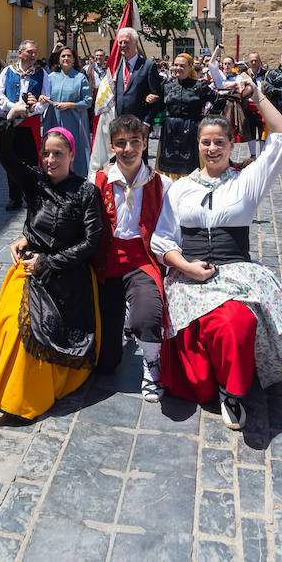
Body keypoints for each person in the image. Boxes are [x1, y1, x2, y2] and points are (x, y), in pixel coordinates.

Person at [151, 74, 282, 430]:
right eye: (206, 142)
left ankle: (233, 392)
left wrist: (256, 94)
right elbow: (163, 240)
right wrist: (188, 269)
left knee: (236, 321)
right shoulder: (180, 190)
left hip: (236, 273)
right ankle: (213, 377)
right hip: (189, 276)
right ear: (197, 145)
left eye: (219, 142)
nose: (212, 148)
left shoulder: (247, 182)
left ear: (231, 144)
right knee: (207, 339)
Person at [0, 118, 102, 422]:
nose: (50, 160)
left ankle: (24, 400)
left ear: (72, 156)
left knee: (37, 333)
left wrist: (49, 262)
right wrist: (12, 118)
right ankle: (6, 387)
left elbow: (90, 243)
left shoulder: (87, 192)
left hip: (69, 274)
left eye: (58, 153)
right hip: (30, 268)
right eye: (46, 153)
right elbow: (4, 154)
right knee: (13, 325)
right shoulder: (35, 183)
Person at [83, 114, 169, 400]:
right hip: (106, 262)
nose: (128, 149)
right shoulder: (97, 180)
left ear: (144, 143)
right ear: (111, 146)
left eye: (134, 142)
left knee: (147, 315)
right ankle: (119, 328)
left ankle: (151, 363)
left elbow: (174, 227)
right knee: (106, 363)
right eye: (121, 143)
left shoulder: (161, 183)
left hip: (142, 260)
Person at [0, 39, 49, 209]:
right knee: (11, 160)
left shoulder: (41, 73)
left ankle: (32, 197)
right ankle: (14, 197)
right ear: (20, 53)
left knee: (32, 162)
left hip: (31, 123)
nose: (33, 55)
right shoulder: (8, 71)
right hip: (12, 123)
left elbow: (46, 98)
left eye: (35, 52)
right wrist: (14, 107)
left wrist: (34, 109)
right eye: (30, 52)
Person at [151, 53, 218, 179]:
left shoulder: (200, 87)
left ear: (190, 67)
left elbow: (219, 100)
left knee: (192, 166)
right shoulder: (167, 87)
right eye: (176, 65)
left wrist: (207, 120)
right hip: (170, 131)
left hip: (192, 131)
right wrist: (150, 100)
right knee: (168, 166)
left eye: (182, 65)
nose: (178, 68)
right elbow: (158, 108)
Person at [112, 28, 165, 153]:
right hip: (118, 125)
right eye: (120, 42)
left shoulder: (147, 66)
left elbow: (156, 97)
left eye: (126, 42)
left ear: (135, 43)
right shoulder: (116, 67)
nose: (123, 45)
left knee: (138, 163)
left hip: (138, 126)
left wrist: (146, 123)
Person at [42, 45, 92, 177]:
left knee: (72, 149)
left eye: (69, 56)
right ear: (58, 60)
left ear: (74, 59)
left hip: (74, 122)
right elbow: (44, 94)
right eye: (63, 56)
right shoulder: (51, 77)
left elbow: (88, 101)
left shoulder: (80, 78)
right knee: (53, 148)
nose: (65, 58)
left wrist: (71, 105)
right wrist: (43, 97)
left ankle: (76, 177)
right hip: (54, 119)